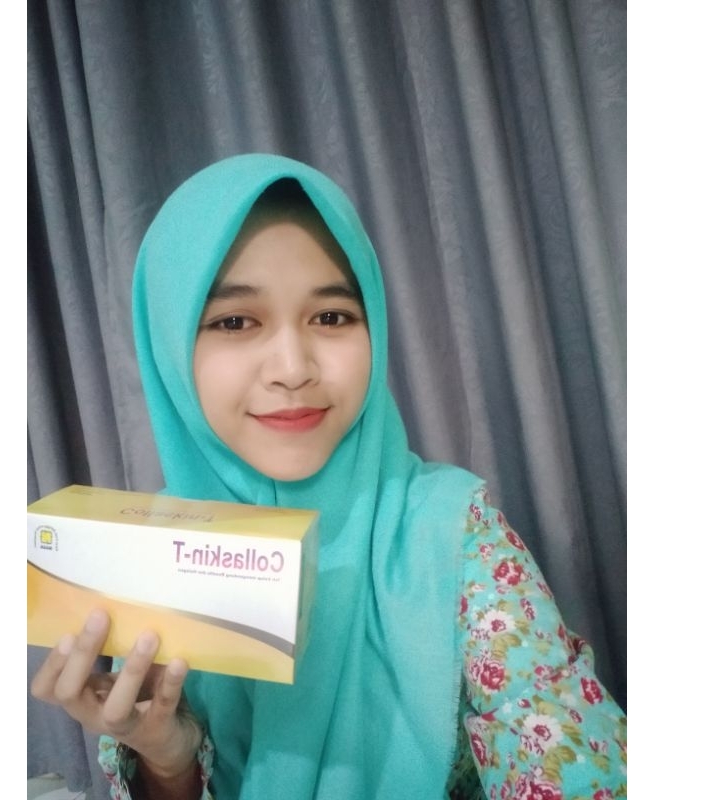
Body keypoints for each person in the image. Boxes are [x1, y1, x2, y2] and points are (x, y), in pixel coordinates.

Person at [31, 154, 627, 800]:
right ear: (171, 349)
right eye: (235, 322)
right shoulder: (157, 554)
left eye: (331, 317)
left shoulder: (455, 535)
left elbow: (564, 747)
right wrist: (167, 758)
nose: (293, 368)